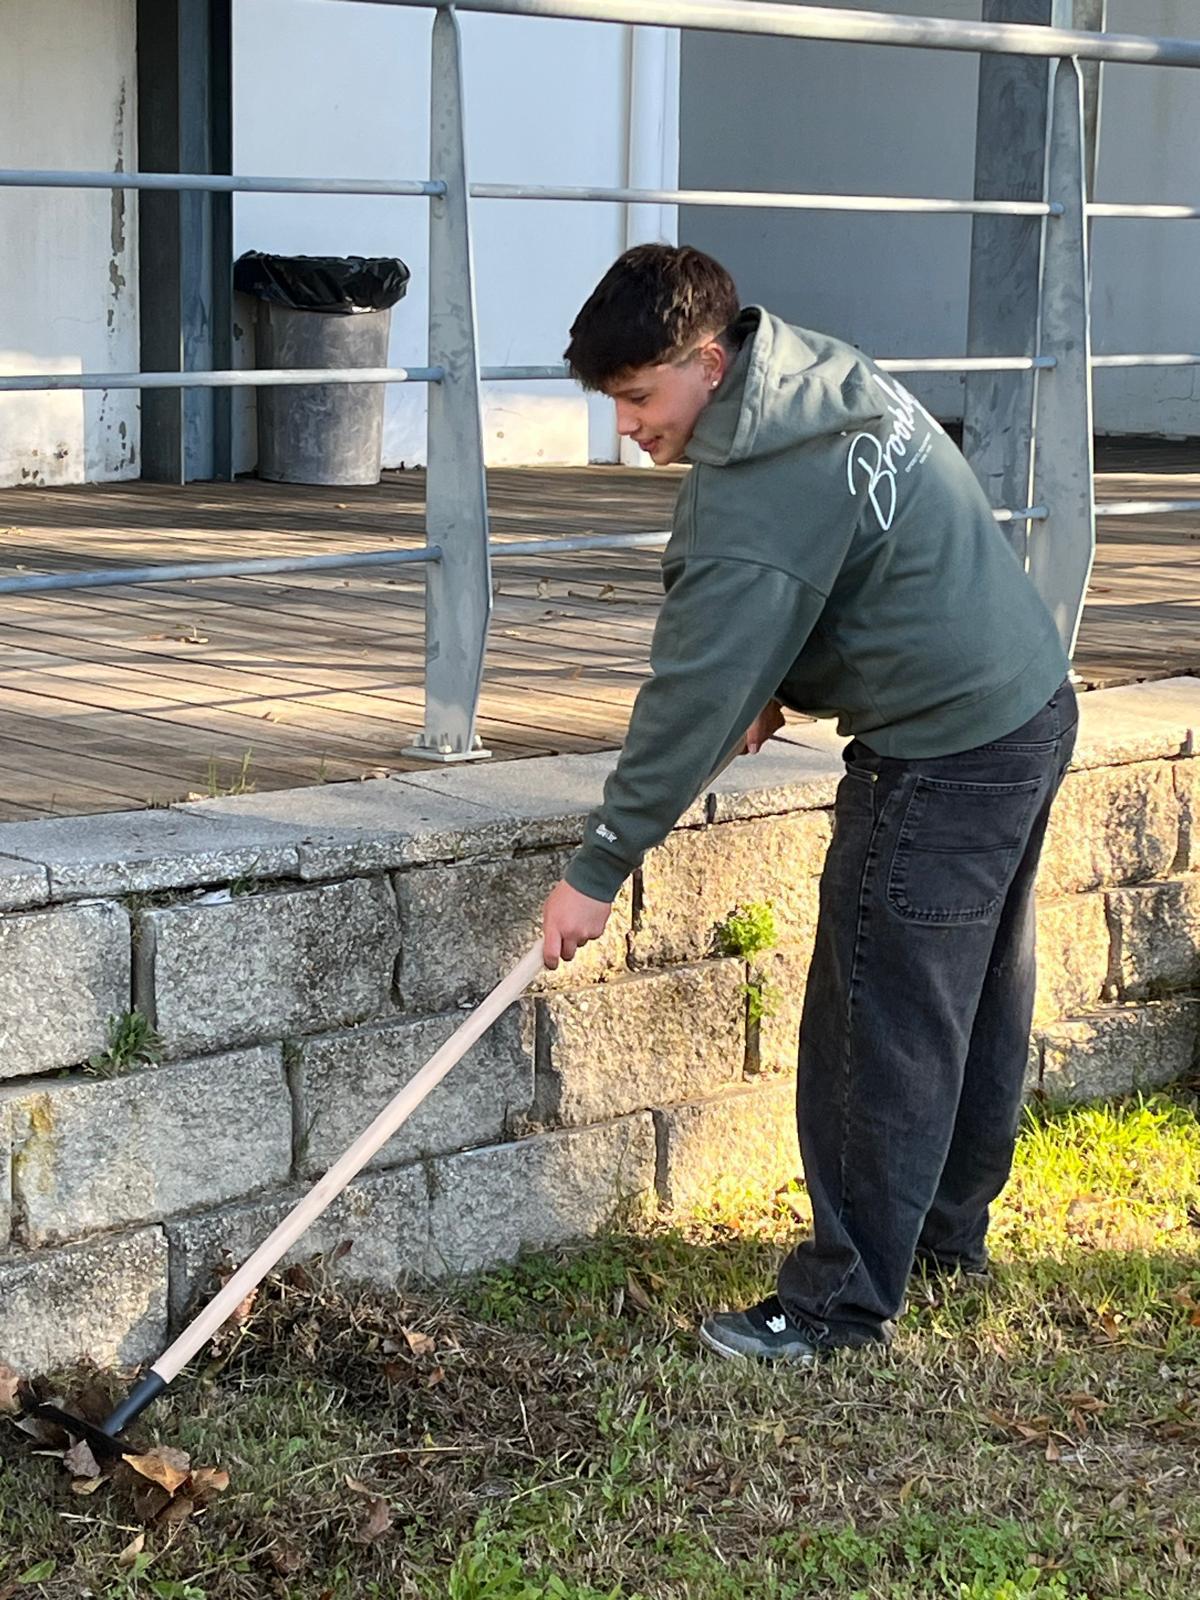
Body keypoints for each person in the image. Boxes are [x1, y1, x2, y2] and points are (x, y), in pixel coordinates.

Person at [540, 244, 1077, 1363]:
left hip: (944, 751)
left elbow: (687, 700)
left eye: (640, 397)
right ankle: (939, 1239)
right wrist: (781, 674)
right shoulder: (810, 376)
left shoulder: (751, 497)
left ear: (704, 356)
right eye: (613, 403)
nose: (629, 428)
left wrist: (597, 869)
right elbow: (858, 549)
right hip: (1026, 700)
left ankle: (838, 1302)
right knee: (969, 1002)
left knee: (876, 1022)